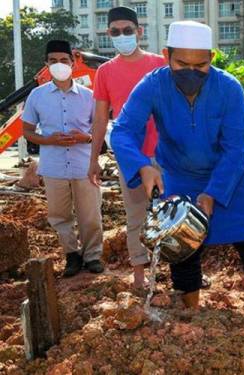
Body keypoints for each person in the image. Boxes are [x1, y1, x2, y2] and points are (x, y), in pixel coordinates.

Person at [110, 21, 244, 309]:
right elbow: (123, 130)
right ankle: (192, 313)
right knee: (182, 248)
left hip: (230, 178)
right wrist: (142, 166)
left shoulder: (229, 88)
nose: (191, 71)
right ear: (166, 55)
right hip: (180, 177)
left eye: (200, 65)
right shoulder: (152, 85)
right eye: (182, 63)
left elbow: (236, 148)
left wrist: (213, 192)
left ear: (211, 58)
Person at [87, 6, 165, 289]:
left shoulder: (160, 65)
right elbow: (99, 119)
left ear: (139, 31)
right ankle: (139, 276)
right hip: (131, 155)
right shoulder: (105, 72)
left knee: (175, 210)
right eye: (115, 32)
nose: (122, 35)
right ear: (109, 34)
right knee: (135, 215)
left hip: (166, 153)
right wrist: (93, 158)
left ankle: (184, 273)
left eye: (127, 30)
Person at [22, 40, 103, 277]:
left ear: (73, 62)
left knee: (90, 214)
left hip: (84, 164)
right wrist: (49, 140)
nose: (59, 65)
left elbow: (99, 130)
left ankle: (93, 256)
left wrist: (84, 137)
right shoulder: (37, 96)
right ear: (46, 64)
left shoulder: (89, 96)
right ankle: (71, 255)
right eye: (53, 61)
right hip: (53, 166)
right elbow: (27, 130)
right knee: (59, 215)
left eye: (64, 60)